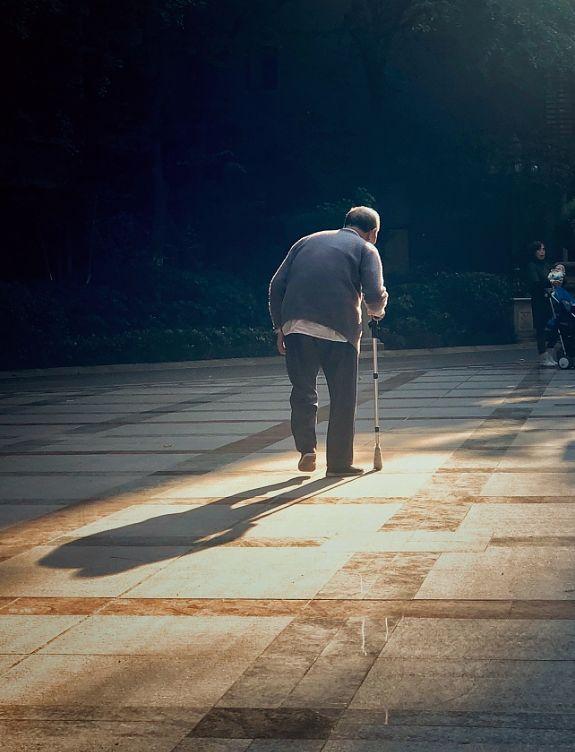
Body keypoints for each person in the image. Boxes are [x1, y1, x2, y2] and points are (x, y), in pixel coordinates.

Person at [269, 206, 388, 477]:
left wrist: (280, 327)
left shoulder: (305, 241)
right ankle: (338, 463)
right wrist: (378, 310)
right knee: (343, 397)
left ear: (346, 223)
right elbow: (374, 294)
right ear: (373, 233)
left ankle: (307, 449)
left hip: (296, 327)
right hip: (339, 330)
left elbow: (276, 284)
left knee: (303, 391)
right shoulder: (366, 249)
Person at [526, 241, 556, 367]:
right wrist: (549, 283)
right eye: (539, 250)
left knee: (554, 326)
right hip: (539, 300)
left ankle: (549, 352)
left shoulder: (547, 265)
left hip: (549, 300)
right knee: (541, 328)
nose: (542, 252)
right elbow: (536, 282)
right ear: (534, 252)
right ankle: (543, 355)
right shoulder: (532, 266)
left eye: (543, 249)